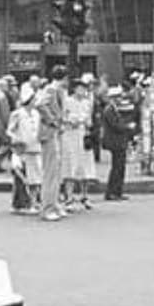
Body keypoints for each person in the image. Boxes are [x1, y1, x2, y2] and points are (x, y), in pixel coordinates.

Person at [36, 65, 68, 222]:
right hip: (49, 133)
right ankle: (47, 207)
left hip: (54, 133)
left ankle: (54, 204)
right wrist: (53, 120)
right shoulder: (51, 89)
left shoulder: (57, 90)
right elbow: (40, 104)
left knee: (55, 171)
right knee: (50, 172)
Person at [61, 79, 97, 210]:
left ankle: (85, 196)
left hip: (83, 135)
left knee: (85, 166)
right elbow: (62, 117)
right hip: (70, 135)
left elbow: (90, 120)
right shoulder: (67, 101)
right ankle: (69, 198)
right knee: (70, 165)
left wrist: (87, 124)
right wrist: (70, 121)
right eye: (80, 88)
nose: (82, 91)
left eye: (84, 89)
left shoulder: (88, 103)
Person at [7, 85, 42, 214]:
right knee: (24, 178)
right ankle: (24, 203)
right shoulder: (17, 114)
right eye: (33, 99)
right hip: (23, 150)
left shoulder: (36, 114)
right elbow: (9, 131)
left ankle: (34, 202)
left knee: (36, 178)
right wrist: (17, 140)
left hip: (36, 148)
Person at [102, 85, 136, 201]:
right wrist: (128, 127)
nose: (119, 99)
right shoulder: (109, 110)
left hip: (119, 141)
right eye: (116, 97)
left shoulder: (114, 109)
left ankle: (117, 191)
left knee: (120, 167)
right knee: (117, 168)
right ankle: (112, 192)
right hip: (114, 142)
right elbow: (116, 125)